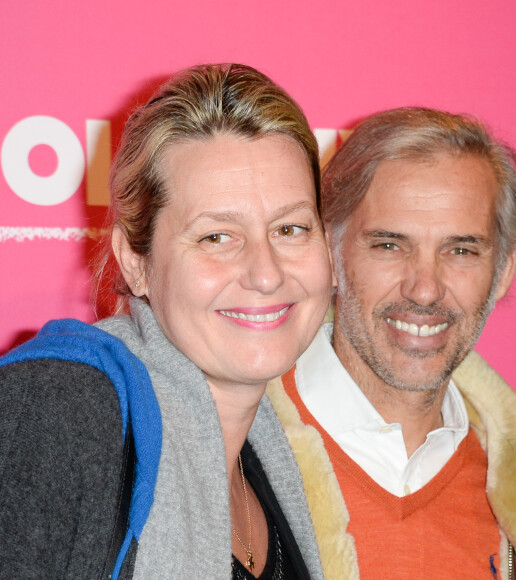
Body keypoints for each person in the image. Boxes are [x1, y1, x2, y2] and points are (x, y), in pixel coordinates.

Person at [0, 63, 333, 579]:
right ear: (136, 263)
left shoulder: (274, 465)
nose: (266, 274)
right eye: (216, 237)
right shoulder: (56, 414)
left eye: (290, 229)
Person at [266, 108, 516, 579]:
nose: (425, 288)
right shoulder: (232, 456)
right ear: (331, 252)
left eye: (461, 250)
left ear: (503, 271)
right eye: (390, 245)